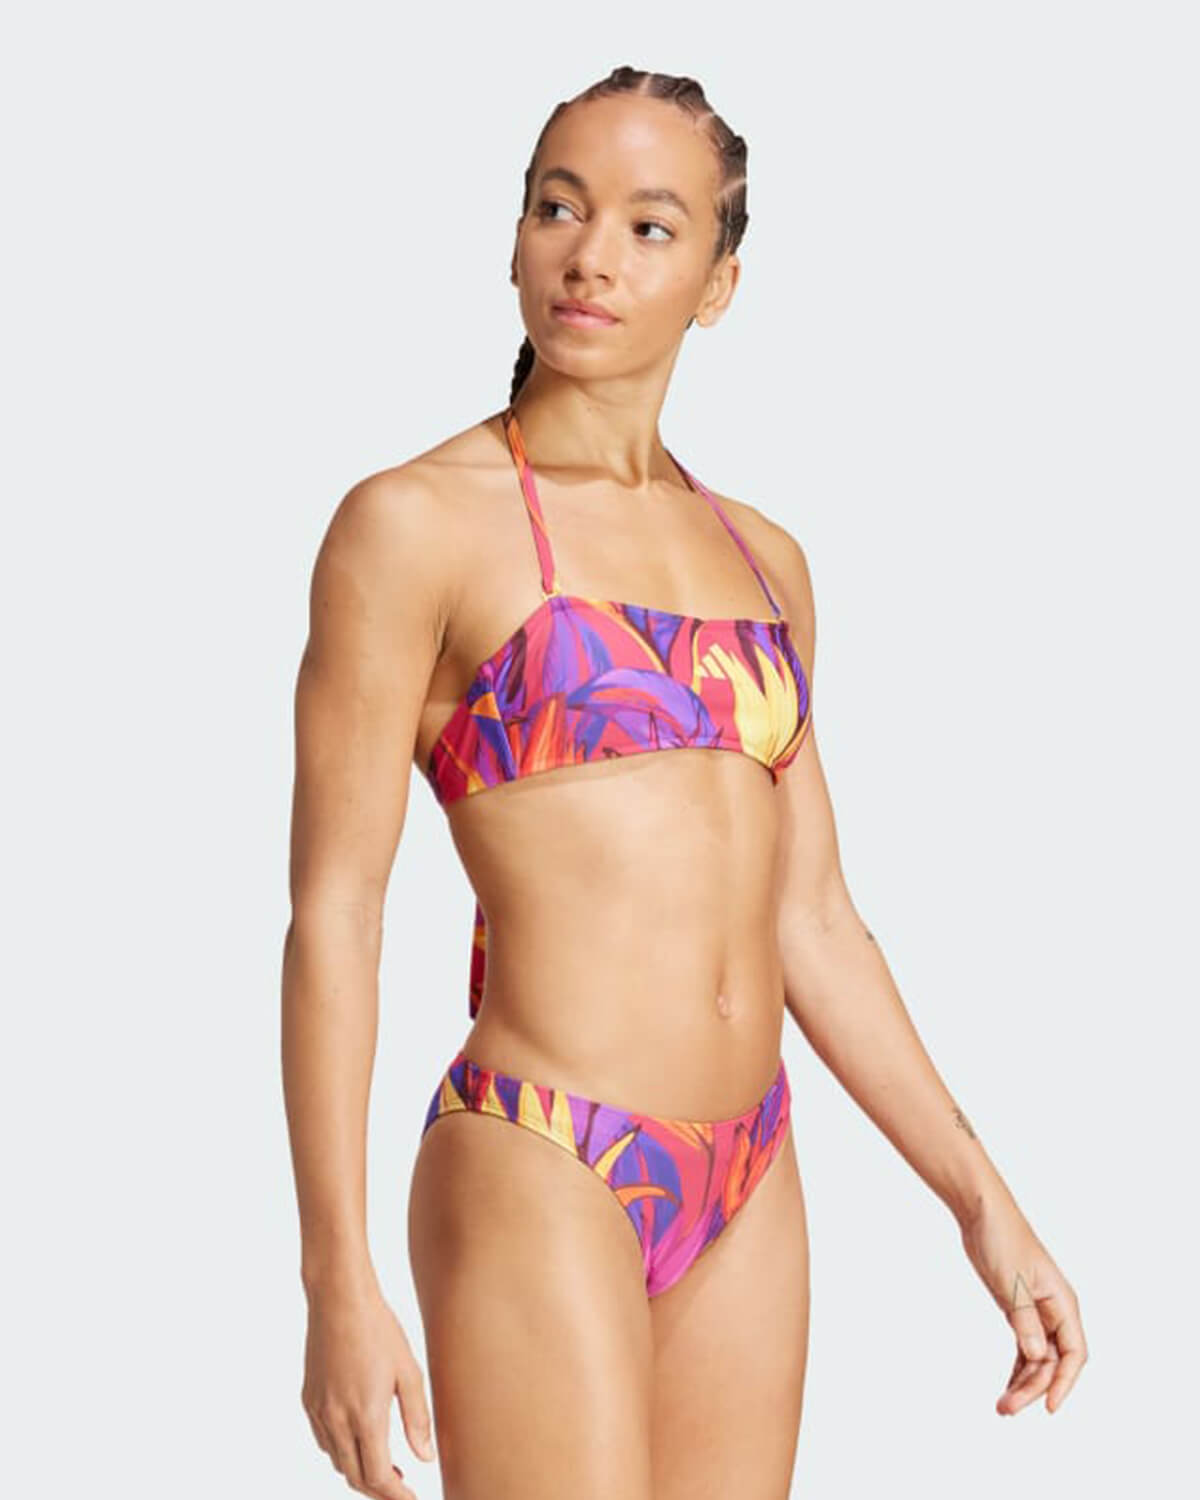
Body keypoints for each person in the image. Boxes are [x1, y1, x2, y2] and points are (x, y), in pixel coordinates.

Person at [282, 65, 1087, 1500]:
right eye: (558, 208)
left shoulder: (764, 560)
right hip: (544, 1149)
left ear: (719, 285)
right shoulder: (413, 526)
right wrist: (335, 1279)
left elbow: (814, 917)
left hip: (749, 1169)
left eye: (650, 227)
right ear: (514, 241)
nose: (590, 255)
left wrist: (984, 1203)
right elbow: (336, 913)